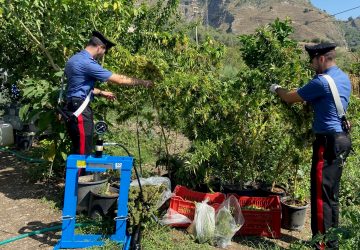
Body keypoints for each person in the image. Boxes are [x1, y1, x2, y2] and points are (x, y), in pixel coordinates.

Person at [270, 43, 352, 249]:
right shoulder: (343, 77)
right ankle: (332, 241)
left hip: (327, 142)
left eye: (313, 60)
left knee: (319, 196)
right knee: (330, 195)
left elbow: (289, 98)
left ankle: (322, 244)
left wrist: (276, 88)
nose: (311, 64)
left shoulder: (321, 82)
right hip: (342, 139)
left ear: (321, 59)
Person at [63, 31, 153, 161]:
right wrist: (143, 82)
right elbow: (119, 80)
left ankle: (75, 178)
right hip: (80, 111)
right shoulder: (88, 63)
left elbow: (78, 86)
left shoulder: (74, 59)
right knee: (82, 153)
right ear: (100, 47)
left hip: (71, 107)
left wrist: (100, 92)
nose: (102, 55)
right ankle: (78, 180)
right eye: (104, 51)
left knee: (78, 147)